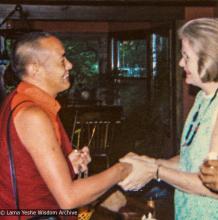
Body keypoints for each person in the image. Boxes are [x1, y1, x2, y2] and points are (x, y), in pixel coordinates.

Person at [0, 32, 132, 219]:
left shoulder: (21, 101)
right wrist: (123, 169)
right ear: (35, 69)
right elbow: (68, 198)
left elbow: (27, 170)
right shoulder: (32, 115)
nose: (70, 65)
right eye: (62, 59)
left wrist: (68, 165)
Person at [118, 18, 218, 220]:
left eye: (186, 56)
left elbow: (210, 186)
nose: (181, 63)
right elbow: (190, 159)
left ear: (208, 57)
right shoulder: (202, 98)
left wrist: (155, 171)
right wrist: (151, 162)